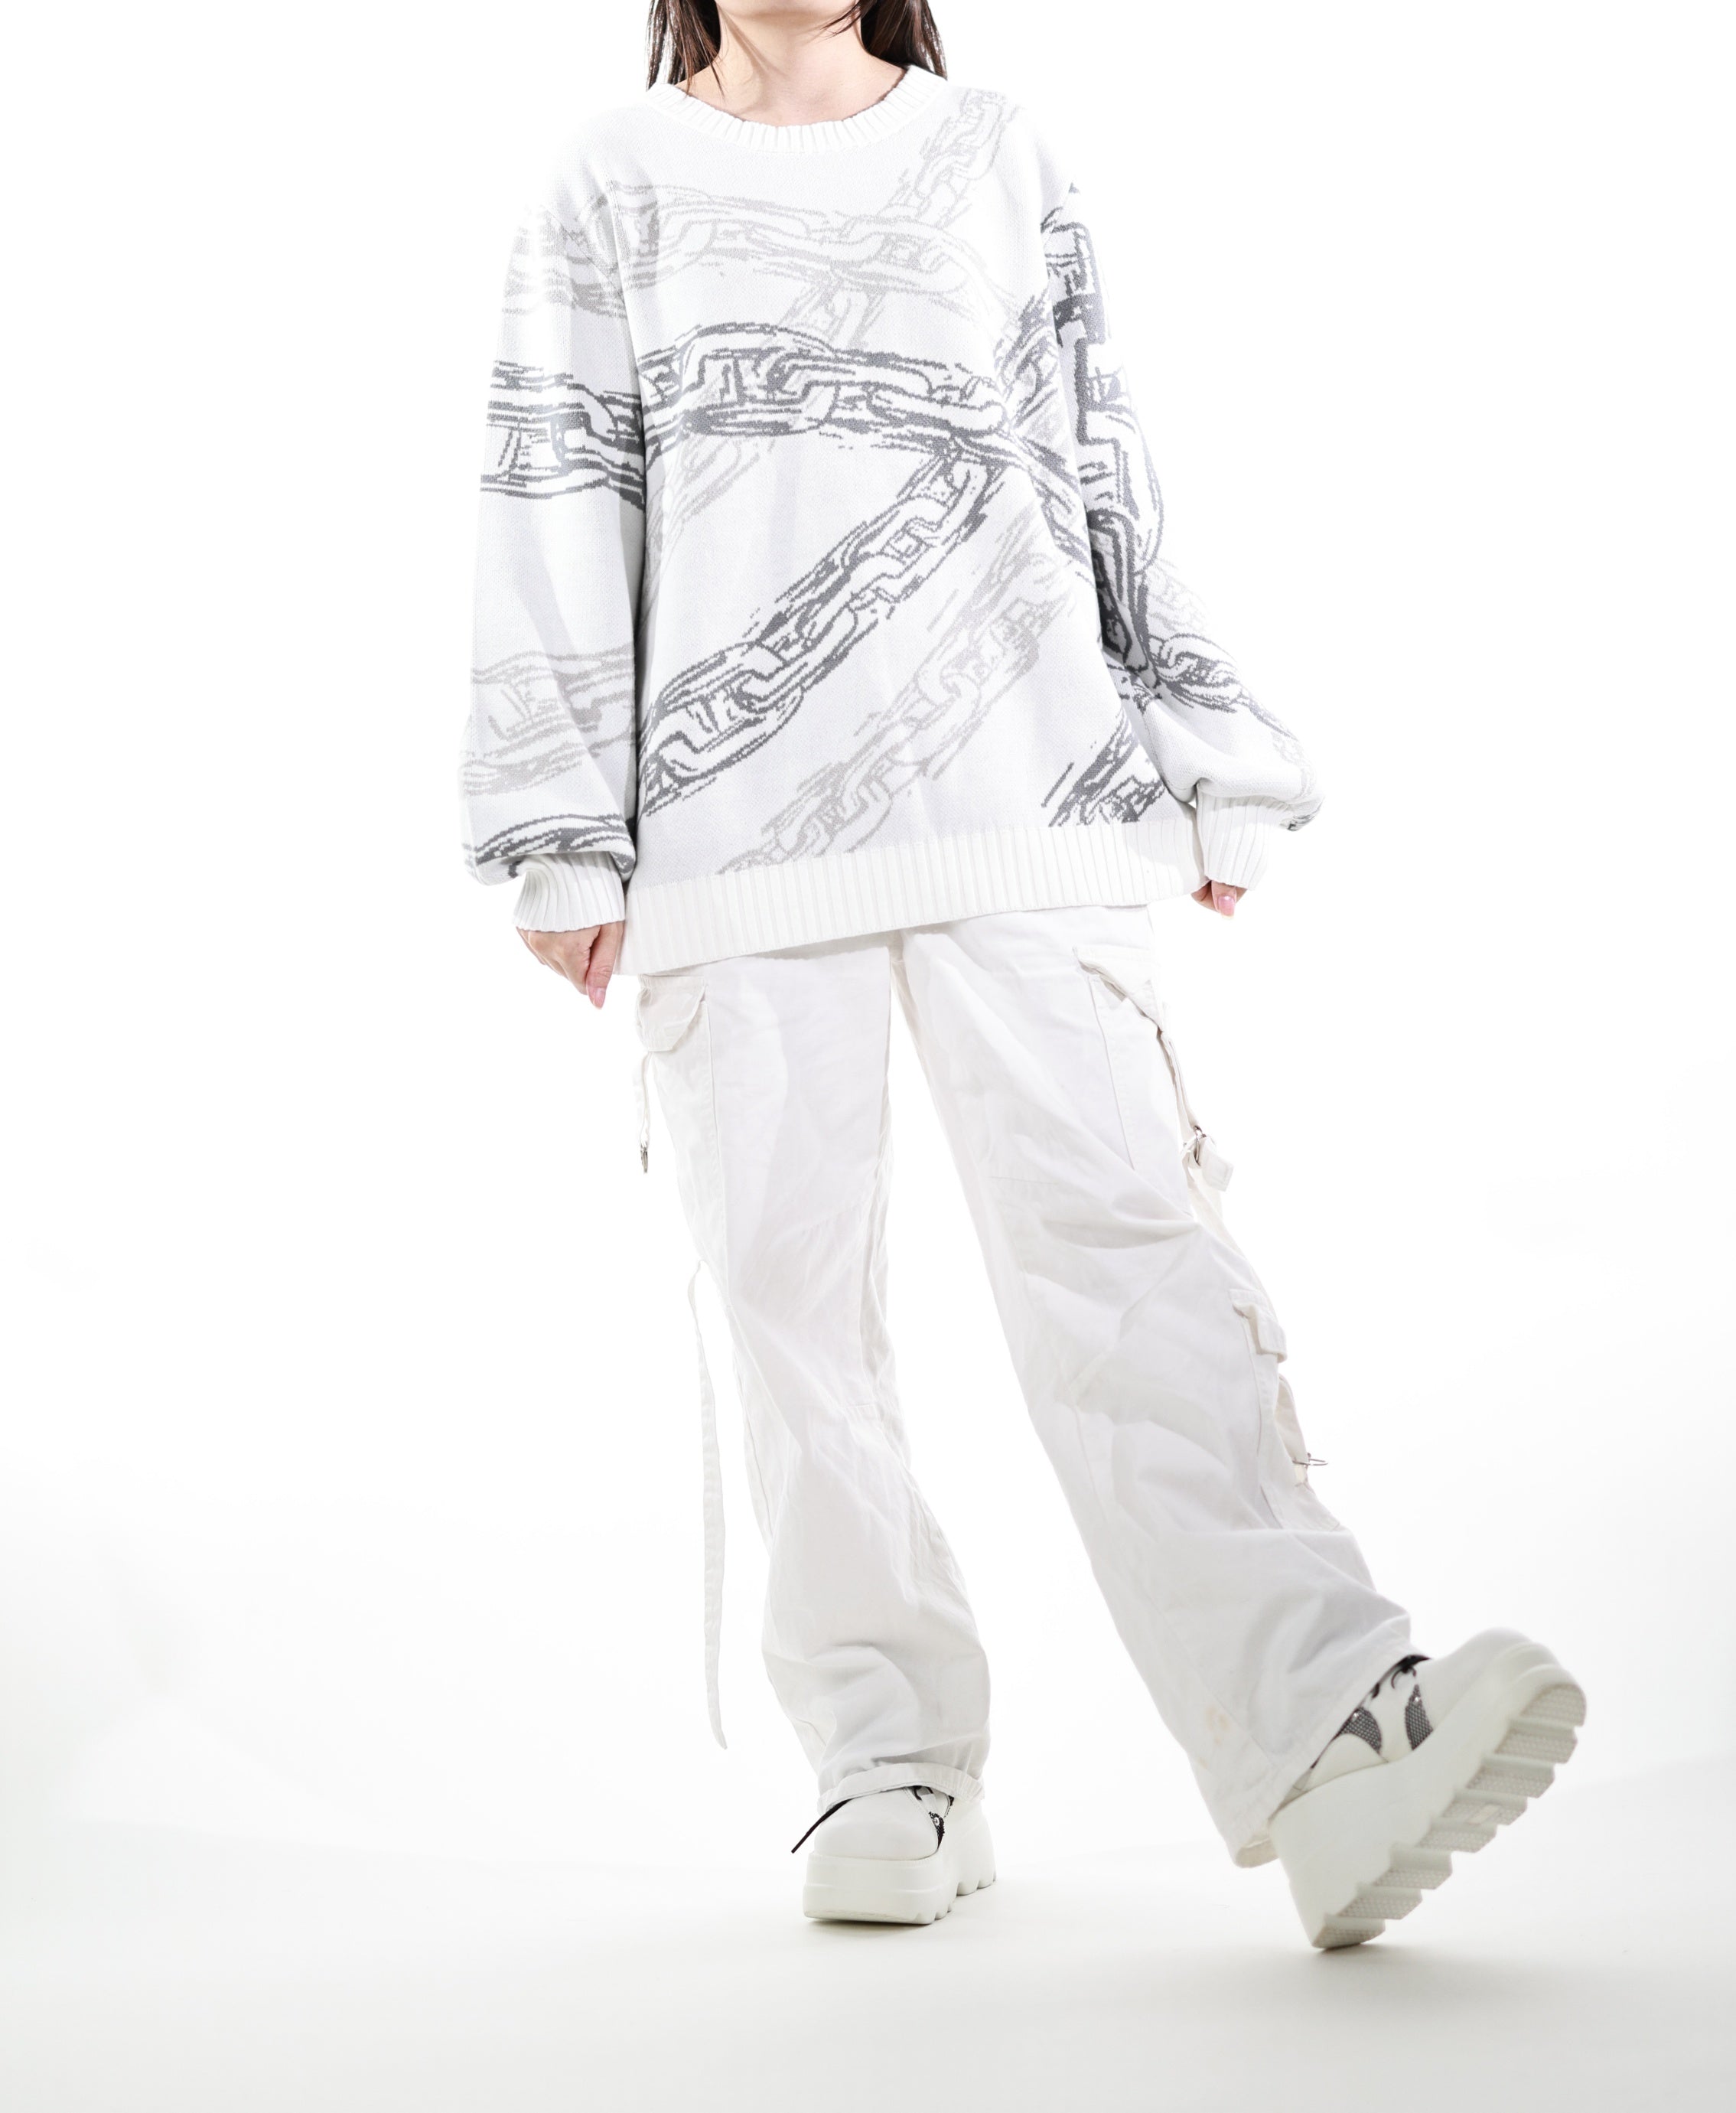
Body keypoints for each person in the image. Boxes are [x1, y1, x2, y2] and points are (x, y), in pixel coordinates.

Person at [460, 0, 1584, 1948]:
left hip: (1029, 791)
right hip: (731, 837)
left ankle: (1326, 1738)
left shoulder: (996, 150)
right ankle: (886, 1759)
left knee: (1130, 1249)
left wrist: (1200, 740)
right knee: (790, 1307)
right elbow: (554, 486)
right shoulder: (609, 175)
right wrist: (557, 820)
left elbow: (1095, 449)